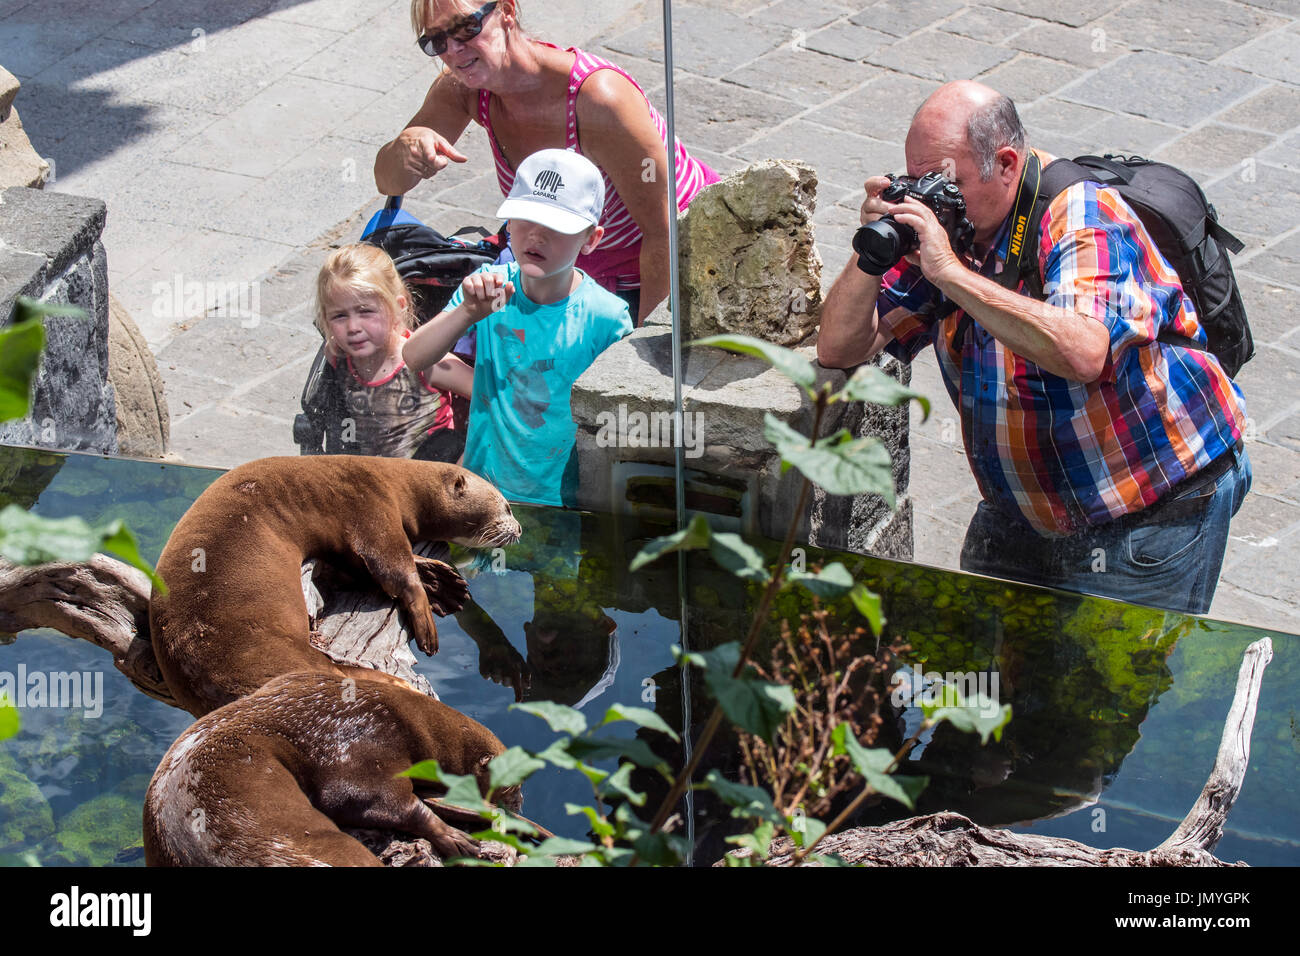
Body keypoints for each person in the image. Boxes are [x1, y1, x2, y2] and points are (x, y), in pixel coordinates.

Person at [817, 80, 1250, 616]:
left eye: (943, 182)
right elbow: (839, 349)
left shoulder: (1084, 215)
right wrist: (873, 251)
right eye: (916, 178)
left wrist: (949, 274)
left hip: (1149, 509)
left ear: (1005, 163)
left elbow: (1083, 352)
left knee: (1114, 692)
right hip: (1026, 511)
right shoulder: (951, 223)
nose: (931, 197)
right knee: (995, 687)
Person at [374, 0, 719, 324]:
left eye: (465, 28)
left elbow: (665, 234)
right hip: (565, 267)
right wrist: (405, 149)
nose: (452, 50)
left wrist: (639, 347)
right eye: (436, 40)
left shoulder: (598, 100)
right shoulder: (463, 88)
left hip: (666, 265)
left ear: (506, 11)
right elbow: (389, 182)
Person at [403, 147, 633, 507]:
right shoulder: (489, 288)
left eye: (556, 227)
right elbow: (414, 357)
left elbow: (621, 422)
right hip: (484, 493)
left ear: (591, 239)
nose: (535, 237)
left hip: (566, 504)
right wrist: (466, 313)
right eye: (525, 220)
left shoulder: (606, 317)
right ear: (508, 223)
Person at [307, 243, 472, 462]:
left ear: (399, 307)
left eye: (366, 311)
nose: (353, 327)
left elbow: (489, 393)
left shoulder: (424, 359)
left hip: (433, 474)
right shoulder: (340, 357)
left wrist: (468, 460)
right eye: (339, 316)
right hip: (377, 478)